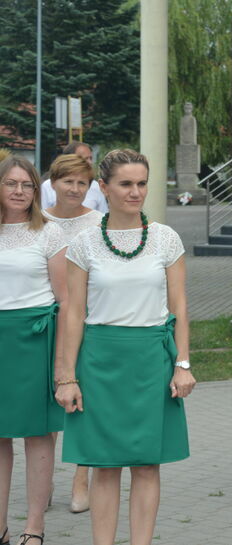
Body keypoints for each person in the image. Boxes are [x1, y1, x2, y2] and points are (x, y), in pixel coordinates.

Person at [56, 149, 194, 545]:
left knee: (148, 465)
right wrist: (67, 377)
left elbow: (180, 308)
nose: (135, 192)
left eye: (141, 183)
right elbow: (73, 313)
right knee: (105, 465)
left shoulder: (166, 238)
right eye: (125, 184)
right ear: (104, 187)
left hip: (152, 359)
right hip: (100, 362)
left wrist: (182, 363)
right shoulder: (84, 244)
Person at [0, 156, 67, 545]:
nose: (19, 191)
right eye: (11, 183)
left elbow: (66, 298)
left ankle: (35, 526)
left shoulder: (49, 233)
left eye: (26, 185)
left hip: (35, 337)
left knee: (38, 436)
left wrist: (63, 362)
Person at [42, 153, 104, 515]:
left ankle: (81, 477)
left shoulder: (98, 223)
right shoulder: (40, 222)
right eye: (68, 181)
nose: (75, 189)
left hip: (86, 317)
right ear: (53, 183)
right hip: (47, 318)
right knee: (48, 398)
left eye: (82, 183)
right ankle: (44, 476)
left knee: (83, 397)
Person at [40, 142, 107, 214]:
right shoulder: (47, 186)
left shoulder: (96, 186)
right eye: (68, 182)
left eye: (90, 158)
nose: (89, 162)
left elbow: (104, 214)